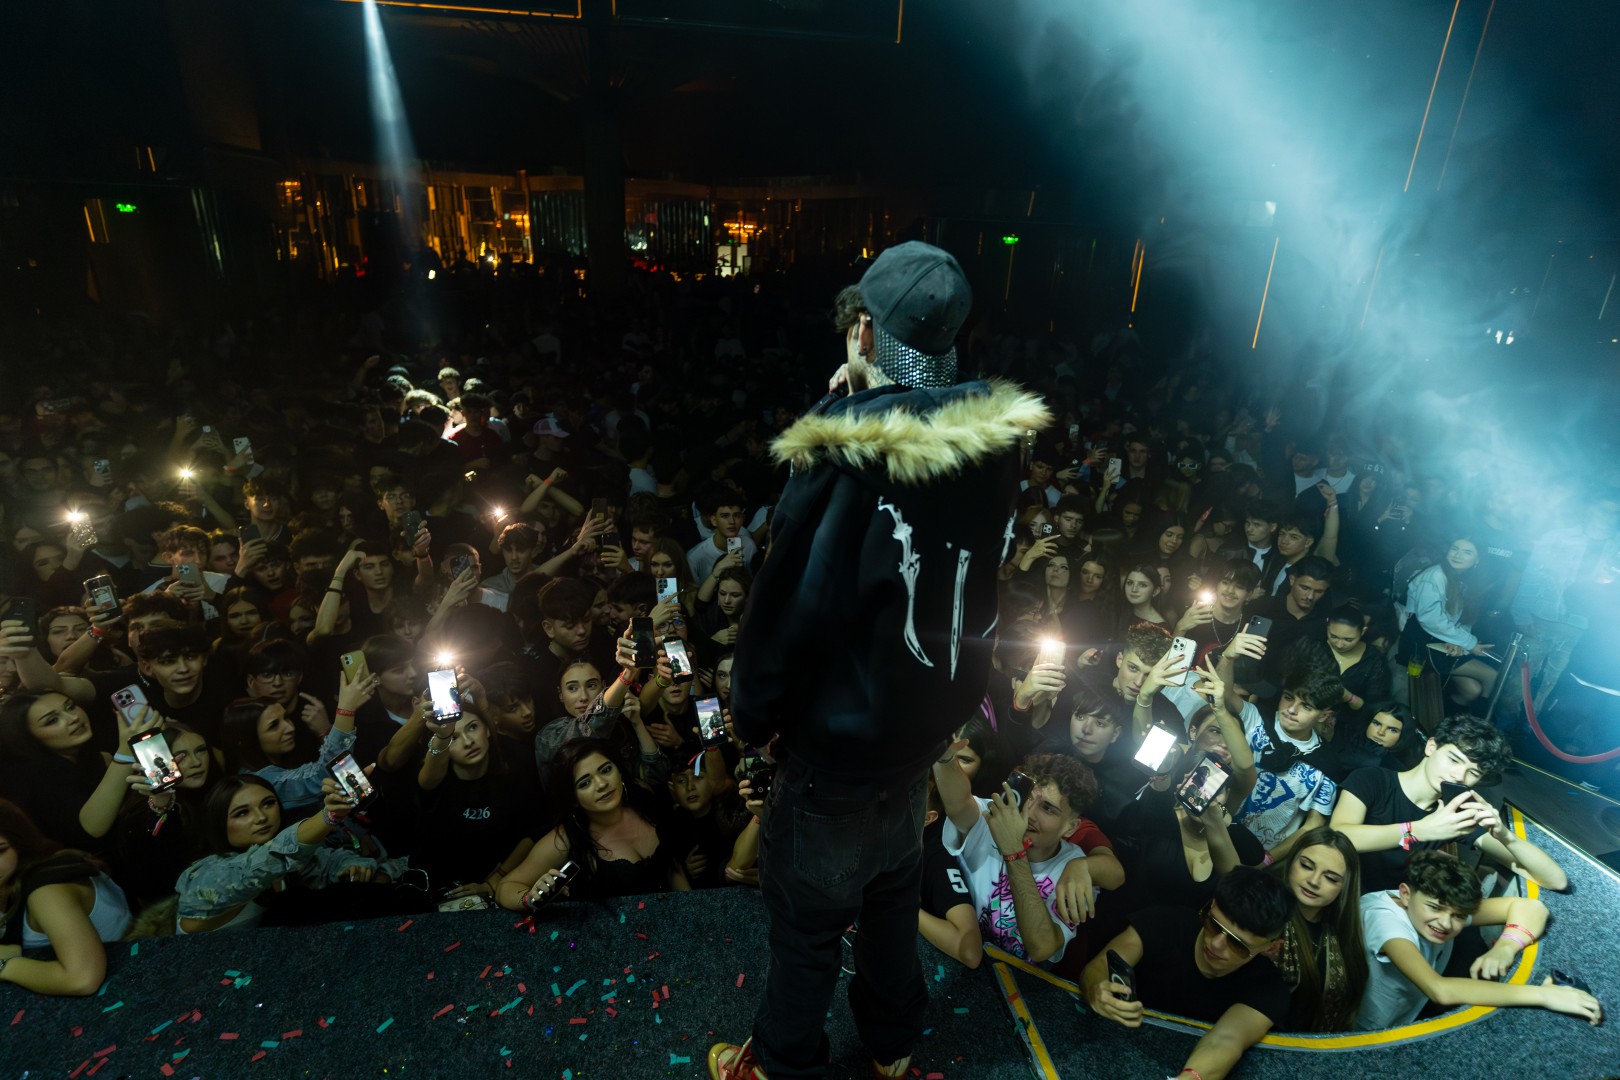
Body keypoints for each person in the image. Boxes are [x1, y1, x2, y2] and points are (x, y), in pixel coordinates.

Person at [713, 243, 1047, 1080]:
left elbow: (791, 607)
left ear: (863, 330)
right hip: (923, 740)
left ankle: (782, 1064)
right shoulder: (996, 443)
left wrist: (753, 717)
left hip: (838, 751)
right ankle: (893, 1048)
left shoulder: (847, 457)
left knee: (808, 925)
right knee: (893, 898)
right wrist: (866, 396)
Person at [1083, 867, 1295, 1080]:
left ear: (1271, 947)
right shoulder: (1166, 922)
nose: (1216, 944)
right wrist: (1096, 989)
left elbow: (1226, 1040)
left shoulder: (1268, 988)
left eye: (1237, 944)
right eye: (1213, 924)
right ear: (1212, 905)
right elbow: (1100, 966)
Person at [1356, 850, 1600, 1029]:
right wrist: (1544, 996)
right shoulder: (1384, 920)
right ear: (1405, 894)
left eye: (1459, 916)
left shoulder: (1437, 906)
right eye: (1435, 908)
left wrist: (1506, 947)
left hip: (1409, 1009)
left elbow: (1532, 908)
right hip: (1370, 1026)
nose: (1445, 923)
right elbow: (1440, 990)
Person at [1328, 714, 1566, 894]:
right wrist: (1418, 830)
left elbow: (1555, 880)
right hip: (1337, 892)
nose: (1459, 776)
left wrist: (1505, 836)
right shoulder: (1374, 779)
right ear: (1431, 747)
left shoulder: (1456, 814)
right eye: (1454, 759)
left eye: (1474, 772)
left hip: (1390, 911)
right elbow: (1338, 836)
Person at [174, 775, 405, 933]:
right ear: (218, 824)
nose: (261, 817)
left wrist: (357, 868)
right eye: (242, 813)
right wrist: (328, 817)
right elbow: (260, 865)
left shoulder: (297, 863)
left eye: (268, 803)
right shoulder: (202, 875)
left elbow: (332, 860)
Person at [933, 745, 1096, 964]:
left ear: (1070, 827)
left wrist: (1013, 851)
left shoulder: (1073, 869)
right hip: (954, 956)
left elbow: (1042, 947)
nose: (1028, 814)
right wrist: (943, 754)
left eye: (1047, 808)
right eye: (1029, 797)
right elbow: (958, 803)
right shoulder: (997, 817)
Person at [496, 736, 689, 907]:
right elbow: (506, 888)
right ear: (573, 798)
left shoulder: (643, 798)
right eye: (585, 783)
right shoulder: (566, 838)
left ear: (619, 771)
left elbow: (673, 868)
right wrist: (530, 898)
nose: (602, 784)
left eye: (606, 770)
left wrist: (694, 911)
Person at [0, 799, 132, 996]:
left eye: (0, 850)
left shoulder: (48, 892)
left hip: (126, 982)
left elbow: (83, 979)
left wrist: (5, 965)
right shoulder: (9, 880)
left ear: (20, 843)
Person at [1268, 827, 1368, 1031]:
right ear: (1291, 861)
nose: (1314, 881)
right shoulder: (1263, 915)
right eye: (1306, 866)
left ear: (1345, 887)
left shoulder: (1341, 932)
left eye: (1331, 878)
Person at [1398, 535, 1498, 707]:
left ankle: (1452, 718)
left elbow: (1463, 620)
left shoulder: (1464, 579)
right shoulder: (1434, 576)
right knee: (1492, 676)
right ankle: (1480, 720)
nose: (1458, 555)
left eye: (1467, 552)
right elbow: (1431, 620)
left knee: (1472, 690)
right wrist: (1470, 644)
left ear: (1477, 560)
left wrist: (1460, 644)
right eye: (1455, 549)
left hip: (1441, 641)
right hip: (1420, 644)